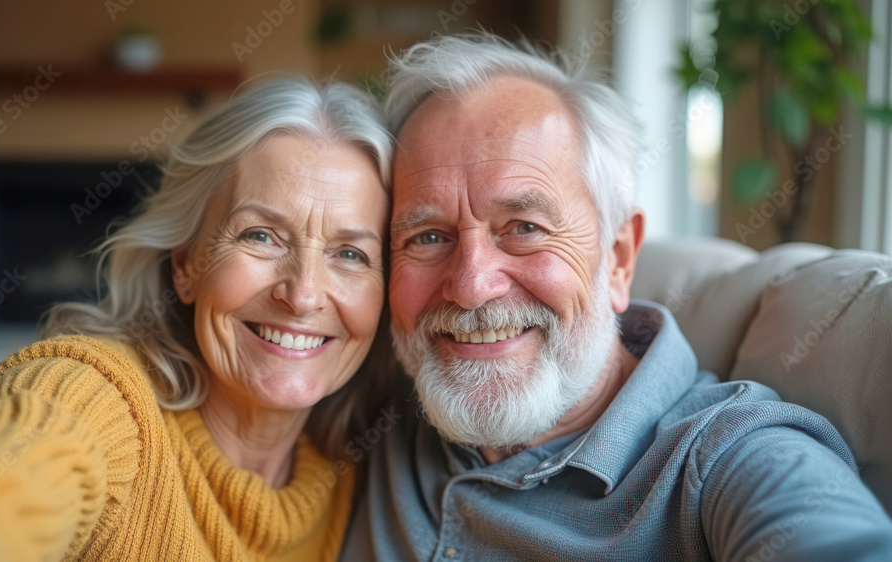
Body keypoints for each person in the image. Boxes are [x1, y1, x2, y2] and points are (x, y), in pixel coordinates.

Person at [342, 33, 892, 560]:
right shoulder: (372, 400)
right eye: (428, 237)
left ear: (619, 258)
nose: (470, 286)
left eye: (525, 227)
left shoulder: (730, 459)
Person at [0, 78, 395, 560]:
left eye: (350, 254)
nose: (304, 294)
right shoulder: (101, 400)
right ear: (186, 264)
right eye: (260, 236)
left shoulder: (360, 468)